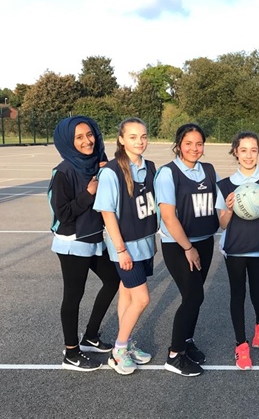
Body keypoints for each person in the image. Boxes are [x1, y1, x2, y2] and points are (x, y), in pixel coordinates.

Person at [49, 115, 121, 371]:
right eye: (79, 137)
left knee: (113, 280)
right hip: (72, 241)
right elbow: (63, 214)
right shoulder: (64, 172)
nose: (87, 141)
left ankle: (90, 336)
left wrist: (107, 171)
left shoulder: (97, 165)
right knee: (73, 295)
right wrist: (88, 194)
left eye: (89, 134)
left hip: (92, 237)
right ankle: (71, 352)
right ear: (68, 141)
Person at [154, 123, 219, 377]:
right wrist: (188, 247)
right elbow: (169, 216)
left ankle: (187, 341)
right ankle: (174, 355)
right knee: (193, 297)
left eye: (199, 143)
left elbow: (220, 203)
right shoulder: (168, 173)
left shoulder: (209, 170)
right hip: (180, 245)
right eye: (188, 143)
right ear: (179, 144)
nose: (194, 148)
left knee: (195, 296)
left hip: (205, 241)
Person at [94, 118, 157, 376]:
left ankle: (126, 340)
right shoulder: (111, 171)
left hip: (145, 241)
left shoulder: (150, 167)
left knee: (127, 294)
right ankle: (118, 351)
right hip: (125, 246)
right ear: (121, 139)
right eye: (133, 137)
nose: (139, 141)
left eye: (143, 136)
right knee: (142, 298)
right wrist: (120, 250)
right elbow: (107, 213)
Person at [216, 131, 259, 370]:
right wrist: (231, 209)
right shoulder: (224, 185)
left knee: (258, 294)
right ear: (235, 152)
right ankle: (240, 345)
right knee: (237, 295)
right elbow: (223, 223)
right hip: (234, 248)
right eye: (243, 150)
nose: (248, 155)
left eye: (253, 150)